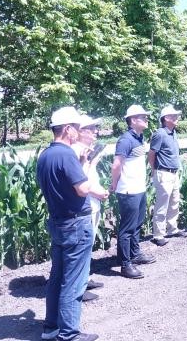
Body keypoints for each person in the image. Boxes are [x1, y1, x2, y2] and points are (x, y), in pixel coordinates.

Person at [37, 106, 109, 341]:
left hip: (57, 221)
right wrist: (87, 162)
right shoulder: (67, 154)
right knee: (74, 281)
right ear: (68, 129)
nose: (79, 131)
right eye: (77, 127)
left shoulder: (45, 155)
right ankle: (69, 334)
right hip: (76, 224)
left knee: (57, 277)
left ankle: (50, 328)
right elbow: (82, 188)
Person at [111, 105, 156, 279]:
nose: (146, 119)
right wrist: (114, 184)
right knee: (127, 228)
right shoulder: (125, 140)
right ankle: (125, 264)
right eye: (143, 117)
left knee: (137, 224)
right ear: (133, 120)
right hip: (128, 190)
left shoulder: (139, 137)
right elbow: (117, 164)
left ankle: (135, 254)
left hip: (139, 188)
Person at [71, 115, 106, 301]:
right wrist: (97, 193)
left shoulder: (87, 150)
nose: (95, 132)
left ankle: (84, 279)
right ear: (80, 132)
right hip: (85, 204)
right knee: (82, 246)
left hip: (92, 203)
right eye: (91, 129)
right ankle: (78, 286)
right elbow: (79, 182)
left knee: (88, 244)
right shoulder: (76, 152)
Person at [148, 105, 185, 246]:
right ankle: (158, 235)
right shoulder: (160, 134)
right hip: (163, 173)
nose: (177, 118)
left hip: (174, 173)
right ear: (166, 118)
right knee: (162, 205)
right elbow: (151, 154)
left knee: (174, 202)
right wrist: (154, 170)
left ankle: (172, 228)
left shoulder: (173, 132)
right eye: (174, 116)